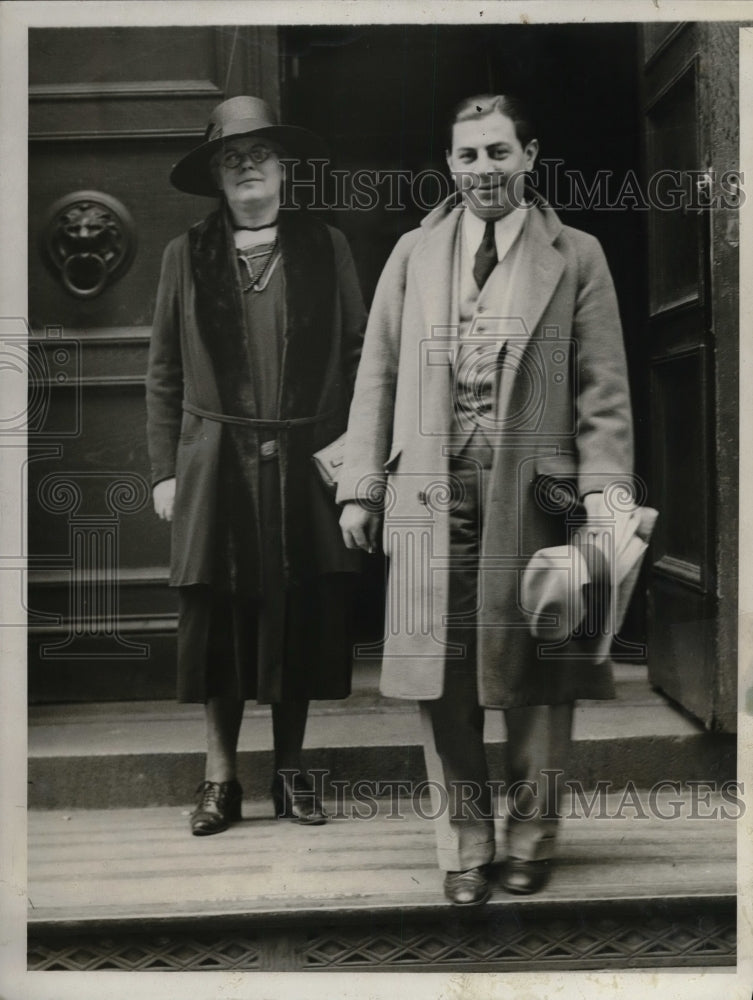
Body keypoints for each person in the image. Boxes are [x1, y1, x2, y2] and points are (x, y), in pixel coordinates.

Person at [338, 94, 633, 904]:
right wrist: (361, 490)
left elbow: (601, 394)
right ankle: (465, 844)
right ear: (449, 165)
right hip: (431, 492)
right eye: (467, 156)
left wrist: (605, 501)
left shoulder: (576, 256)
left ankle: (531, 839)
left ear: (530, 157)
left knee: (539, 669)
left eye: (499, 153)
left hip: (536, 496)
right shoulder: (411, 254)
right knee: (442, 675)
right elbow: (379, 374)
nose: (483, 172)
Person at [146, 96, 366, 836]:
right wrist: (164, 472)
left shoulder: (324, 246)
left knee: (297, 615)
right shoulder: (187, 255)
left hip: (305, 461)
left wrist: (358, 460)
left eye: (260, 156)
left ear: (283, 169)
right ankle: (220, 781)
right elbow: (164, 373)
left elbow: (362, 356)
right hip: (215, 464)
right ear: (216, 175)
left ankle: (294, 773)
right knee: (219, 626)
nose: (247, 170)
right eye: (231, 159)